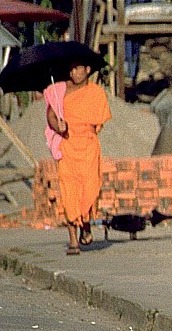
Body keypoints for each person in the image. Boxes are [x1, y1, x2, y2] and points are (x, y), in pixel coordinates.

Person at [45, 60, 112, 255]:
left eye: (78, 68)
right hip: (68, 147)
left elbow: (98, 124)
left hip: (89, 148)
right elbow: (50, 114)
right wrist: (59, 126)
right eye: (71, 68)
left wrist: (86, 129)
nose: (74, 72)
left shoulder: (96, 92)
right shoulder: (59, 90)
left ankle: (86, 224)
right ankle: (73, 240)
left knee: (90, 191)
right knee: (69, 193)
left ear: (88, 70)